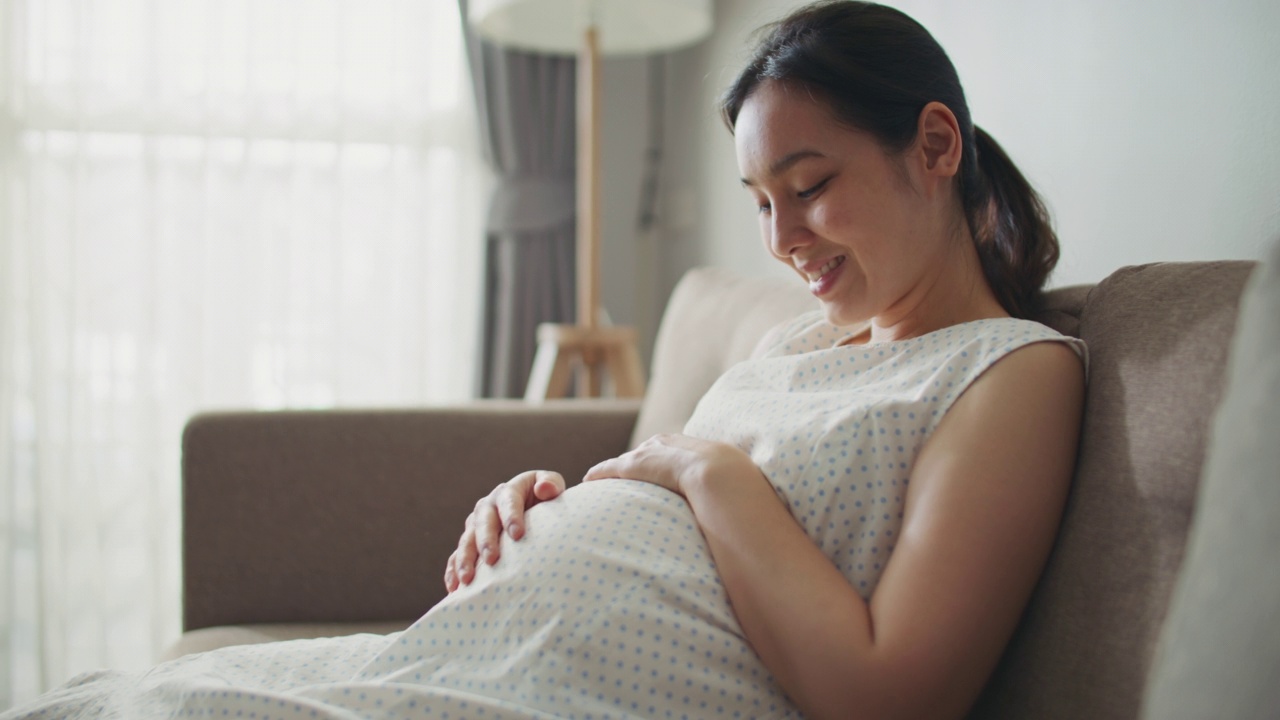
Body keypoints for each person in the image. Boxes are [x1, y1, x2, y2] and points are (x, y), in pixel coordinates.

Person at [3, 3, 1084, 719]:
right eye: (760, 202)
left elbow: (885, 696)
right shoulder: (804, 339)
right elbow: (690, 519)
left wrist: (701, 470)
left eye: (807, 185)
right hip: (473, 658)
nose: (781, 237)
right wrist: (542, 509)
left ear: (934, 146)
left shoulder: (1008, 372)